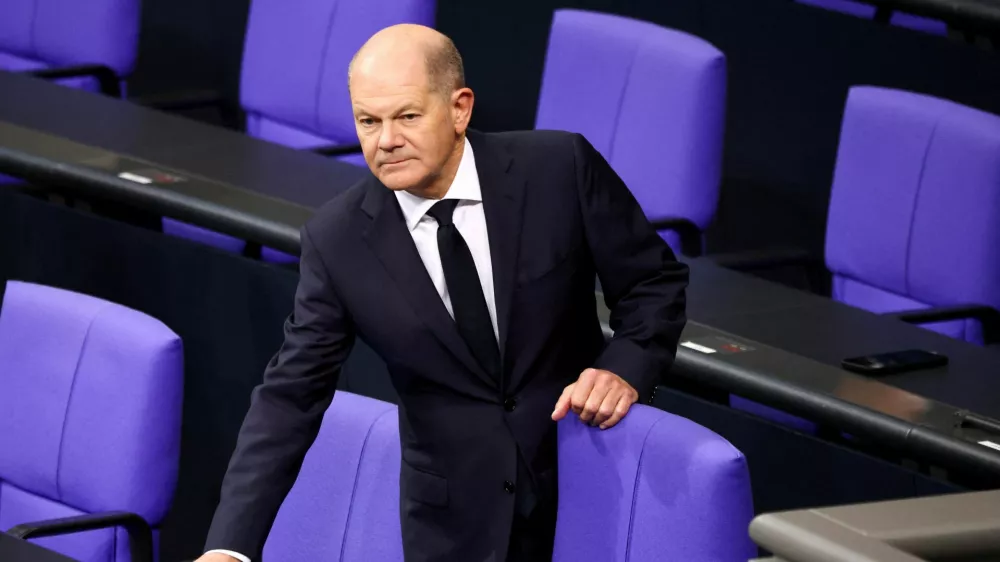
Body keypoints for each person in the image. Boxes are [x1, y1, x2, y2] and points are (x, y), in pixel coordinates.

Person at [197, 23, 688, 562]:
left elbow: (652, 283)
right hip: (455, 528)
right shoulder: (338, 241)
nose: (385, 140)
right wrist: (230, 547)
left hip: (587, 489)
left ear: (459, 109)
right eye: (368, 121)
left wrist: (624, 366)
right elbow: (290, 396)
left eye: (406, 116)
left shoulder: (558, 170)